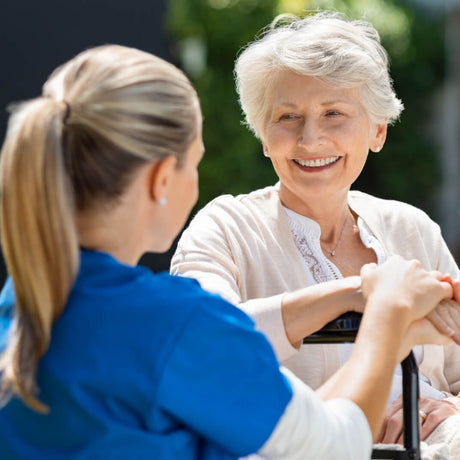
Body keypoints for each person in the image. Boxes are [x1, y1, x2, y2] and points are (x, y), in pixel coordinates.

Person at [0, 44, 457, 460]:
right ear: (162, 179)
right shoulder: (176, 324)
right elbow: (332, 445)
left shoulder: (24, 298)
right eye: (196, 161)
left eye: (334, 113)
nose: (310, 137)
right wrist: (387, 315)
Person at [170, 11, 460, 451]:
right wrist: (358, 295)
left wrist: (449, 411)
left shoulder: (411, 227)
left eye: (333, 113)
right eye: (287, 117)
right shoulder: (224, 228)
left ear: (378, 130)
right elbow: (203, 345)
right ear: (264, 136)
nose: (309, 139)